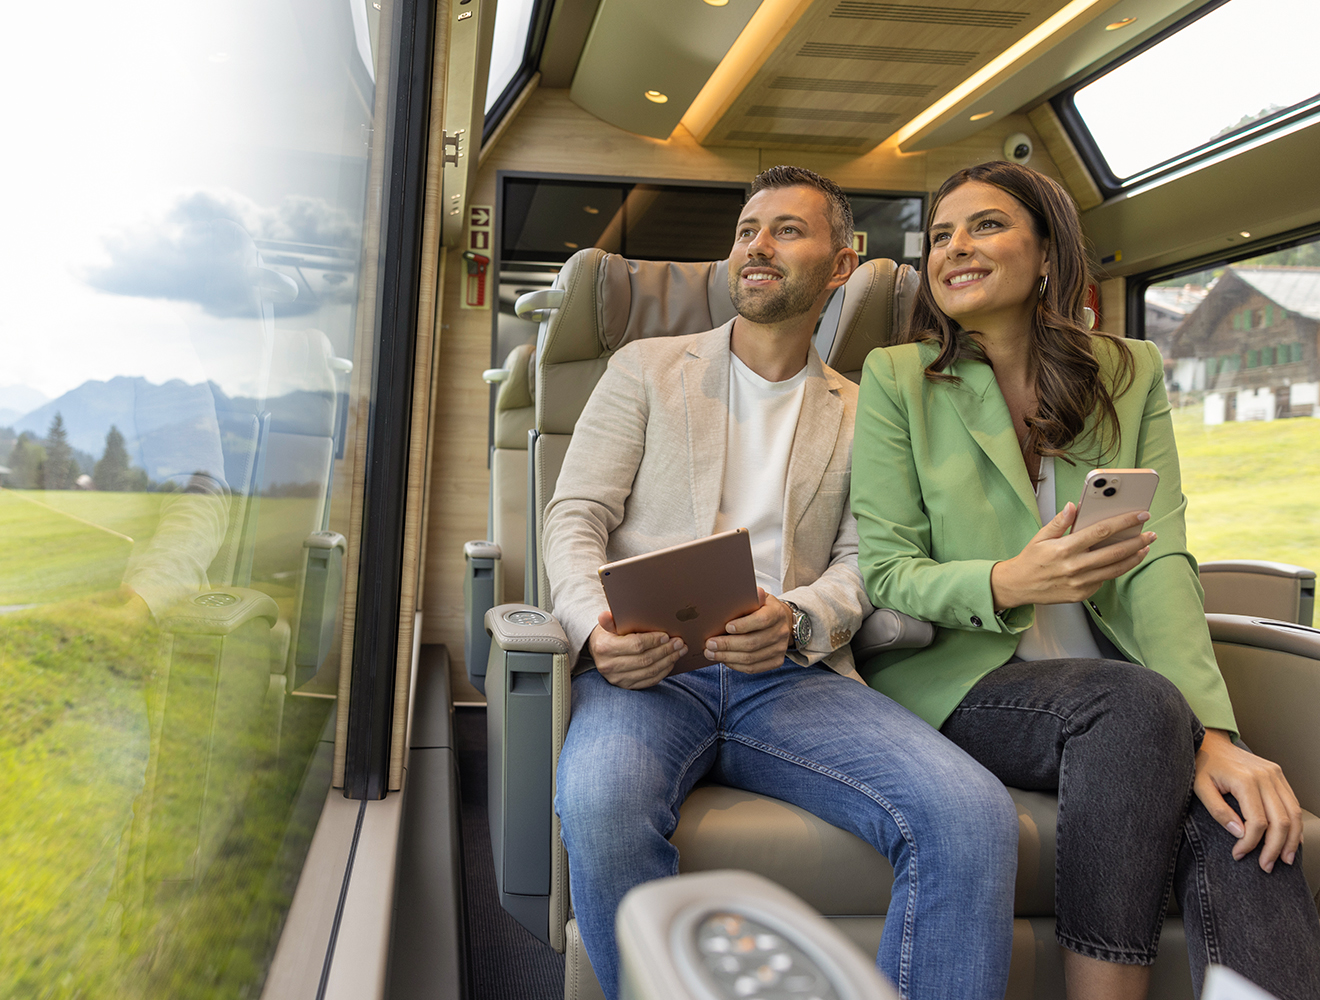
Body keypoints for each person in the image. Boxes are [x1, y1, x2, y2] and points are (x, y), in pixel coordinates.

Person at [546, 165, 1019, 1000]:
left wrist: (797, 618)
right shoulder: (643, 369)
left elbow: (864, 559)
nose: (757, 246)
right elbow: (574, 515)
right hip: (649, 669)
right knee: (601, 804)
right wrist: (595, 628)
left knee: (970, 815)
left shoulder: (864, 403)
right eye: (746, 230)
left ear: (841, 264)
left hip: (790, 678)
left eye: (787, 231)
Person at [851, 160, 1320, 1000]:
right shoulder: (897, 379)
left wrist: (1216, 735)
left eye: (986, 225)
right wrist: (1009, 578)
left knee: (1244, 818)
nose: (956, 246)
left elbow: (1161, 558)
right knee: (1133, 704)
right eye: (943, 235)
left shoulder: (1129, 371)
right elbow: (887, 572)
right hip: (965, 679)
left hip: (1122, 689)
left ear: (1045, 255)